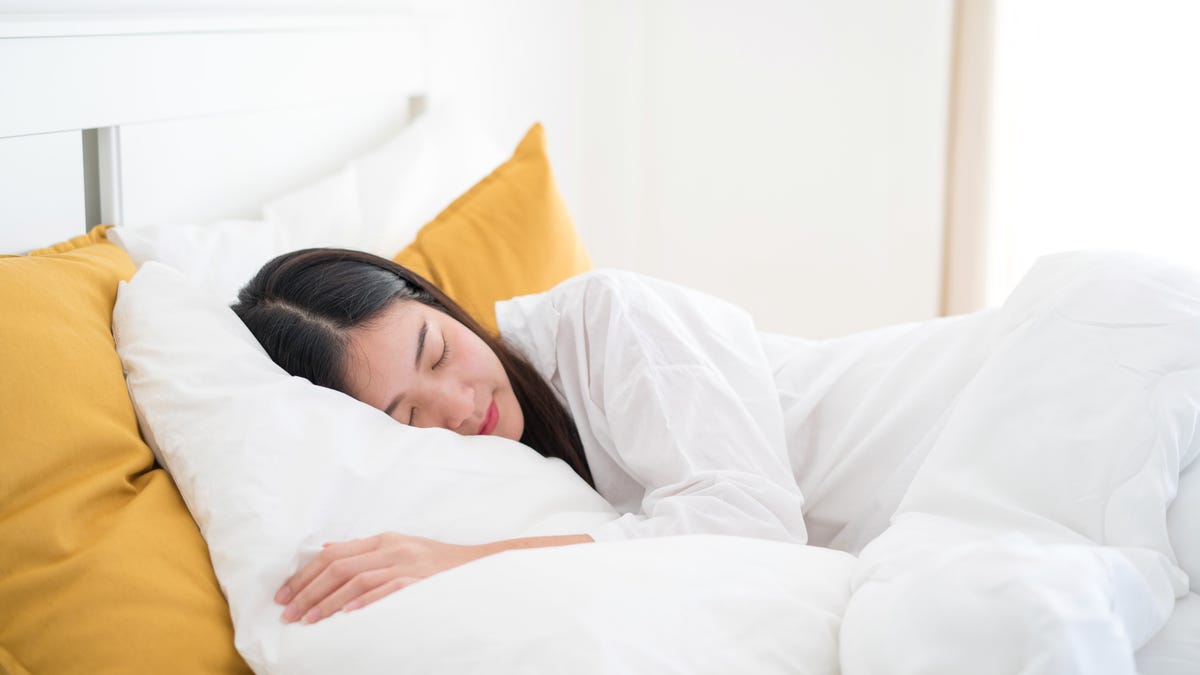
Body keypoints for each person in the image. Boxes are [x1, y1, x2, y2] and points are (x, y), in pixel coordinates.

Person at [233, 247, 815, 625]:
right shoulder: (467, 482)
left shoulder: (605, 317)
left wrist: (468, 561)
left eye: (437, 354)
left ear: (437, 303)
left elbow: (751, 524)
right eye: (408, 417)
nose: (461, 408)